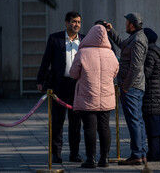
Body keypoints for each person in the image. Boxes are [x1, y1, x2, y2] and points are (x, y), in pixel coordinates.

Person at [37, 11, 84, 163]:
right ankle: (56, 154)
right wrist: (40, 80)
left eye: (78, 22)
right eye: (73, 21)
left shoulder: (83, 40)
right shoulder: (55, 38)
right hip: (59, 85)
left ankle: (74, 153)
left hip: (77, 85)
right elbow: (46, 61)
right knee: (57, 121)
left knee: (76, 122)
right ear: (66, 23)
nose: (76, 24)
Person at [69, 25, 119, 168]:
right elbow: (116, 71)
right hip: (106, 97)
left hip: (87, 97)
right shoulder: (111, 54)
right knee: (104, 128)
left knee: (89, 128)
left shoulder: (82, 53)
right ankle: (105, 158)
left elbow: (73, 73)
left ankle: (90, 159)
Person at [106, 12, 148, 165]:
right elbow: (123, 44)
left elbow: (136, 67)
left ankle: (137, 154)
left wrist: (125, 86)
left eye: (127, 23)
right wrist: (111, 31)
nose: (125, 25)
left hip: (132, 87)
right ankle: (141, 154)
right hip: (134, 86)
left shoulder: (137, 40)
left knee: (134, 121)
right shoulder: (134, 38)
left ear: (132, 24)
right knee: (138, 120)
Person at [142, 28, 160, 161]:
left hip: (152, 92)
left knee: (152, 126)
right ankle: (158, 153)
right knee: (155, 126)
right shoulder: (156, 51)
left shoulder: (150, 54)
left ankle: (155, 154)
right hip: (157, 91)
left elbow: (147, 73)